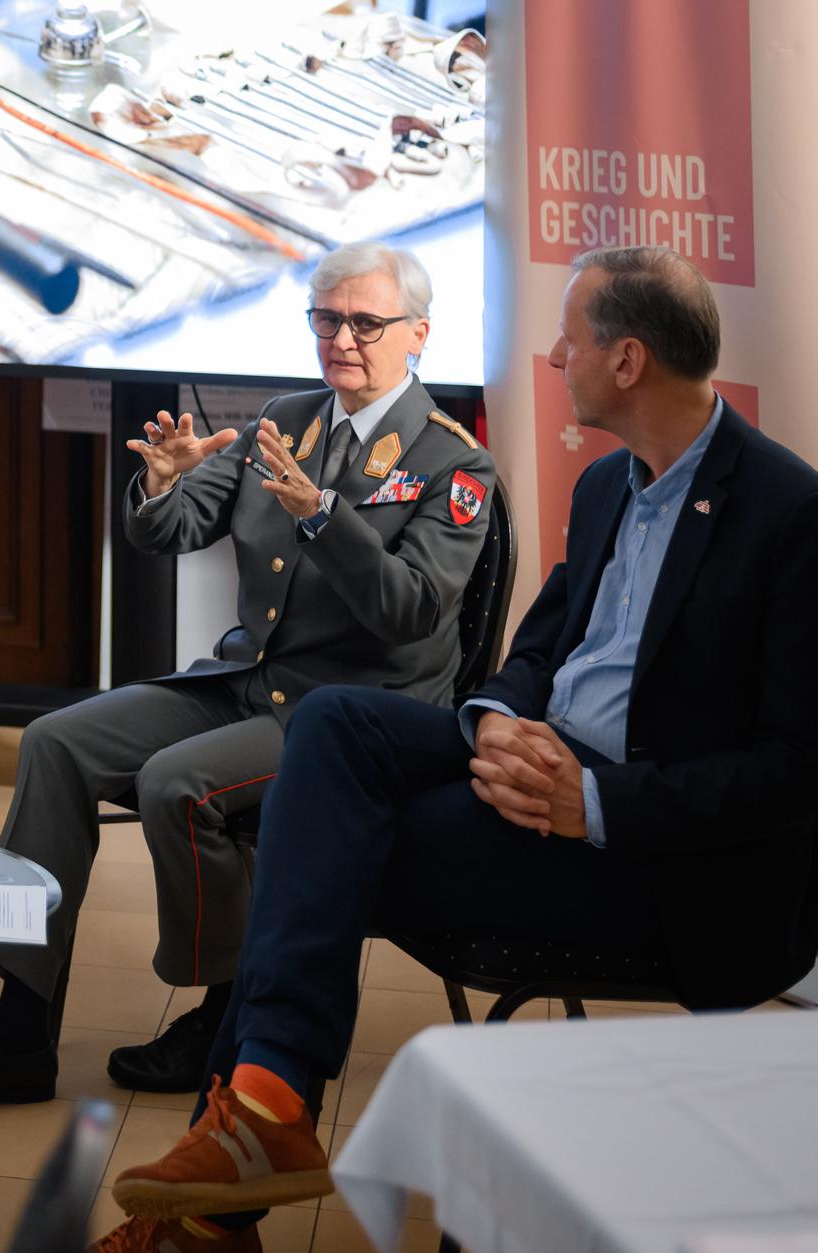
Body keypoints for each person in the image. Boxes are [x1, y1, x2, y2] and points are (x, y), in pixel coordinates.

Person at [96, 246, 818, 1252]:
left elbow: (795, 773)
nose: (553, 354)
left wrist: (592, 803)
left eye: (570, 337)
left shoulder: (788, 512)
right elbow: (538, 652)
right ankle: (259, 1119)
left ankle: (242, 1150)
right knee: (332, 725)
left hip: (651, 848)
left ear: (627, 361)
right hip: (535, 762)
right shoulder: (608, 486)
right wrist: (493, 720)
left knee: (321, 847)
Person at [0, 242, 497, 1119]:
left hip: (354, 716)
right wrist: (160, 481)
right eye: (327, 320)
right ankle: (20, 1033)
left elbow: (412, 610)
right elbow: (170, 529)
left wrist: (323, 517)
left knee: (177, 783)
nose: (342, 339)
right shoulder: (287, 420)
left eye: (367, 323)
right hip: (250, 678)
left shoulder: (453, 462)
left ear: (420, 334)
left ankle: (228, 1017)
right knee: (56, 742)